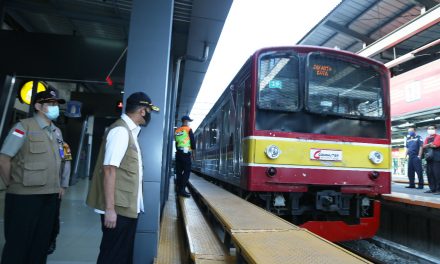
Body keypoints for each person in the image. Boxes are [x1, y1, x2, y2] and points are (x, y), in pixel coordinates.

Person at [86, 92, 159, 264]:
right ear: (142, 111)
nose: (149, 115)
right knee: (112, 256)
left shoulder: (130, 132)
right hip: (117, 209)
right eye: (148, 111)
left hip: (125, 207)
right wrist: (110, 210)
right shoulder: (120, 131)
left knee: (122, 255)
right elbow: (109, 170)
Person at [0, 89, 66, 264]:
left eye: (56, 104)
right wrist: (11, 184)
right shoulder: (23, 127)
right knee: (18, 244)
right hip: (24, 197)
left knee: (41, 244)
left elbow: (58, 161)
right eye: (51, 104)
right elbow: (4, 159)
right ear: (38, 106)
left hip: (50, 196)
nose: (55, 107)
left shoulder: (57, 132)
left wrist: (59, 186)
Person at [48, 142, 72, 254]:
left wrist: (63, 184)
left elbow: (67, 163)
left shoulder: (64, 145)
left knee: (53, 216)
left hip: (55, 187)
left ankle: (51, 240)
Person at [174, 115, 196, 198]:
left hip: (178, 153)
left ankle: (179, 189)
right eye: (189, 121)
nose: (189, 123)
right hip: (186, 153)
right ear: (186, 121)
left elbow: (176, 142)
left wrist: (179, 150)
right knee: (187, 171)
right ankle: (182, 189)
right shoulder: (188, 129)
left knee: (179, 172)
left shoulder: (177, 130)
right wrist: (193, 153)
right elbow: (192, 142)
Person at [423, 125, 440, 194]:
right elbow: (423, 146)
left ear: (435, 129)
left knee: (437, 174)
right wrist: (429, 144)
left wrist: (429, 145)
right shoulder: (427, 138)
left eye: (432, 128)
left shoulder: (438, 137)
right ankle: (432, 189)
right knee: (429, 174)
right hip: (429, 158)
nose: (430, 130)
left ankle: (438, 190)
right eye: (429, 128)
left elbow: (435, 145)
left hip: (437, 158)